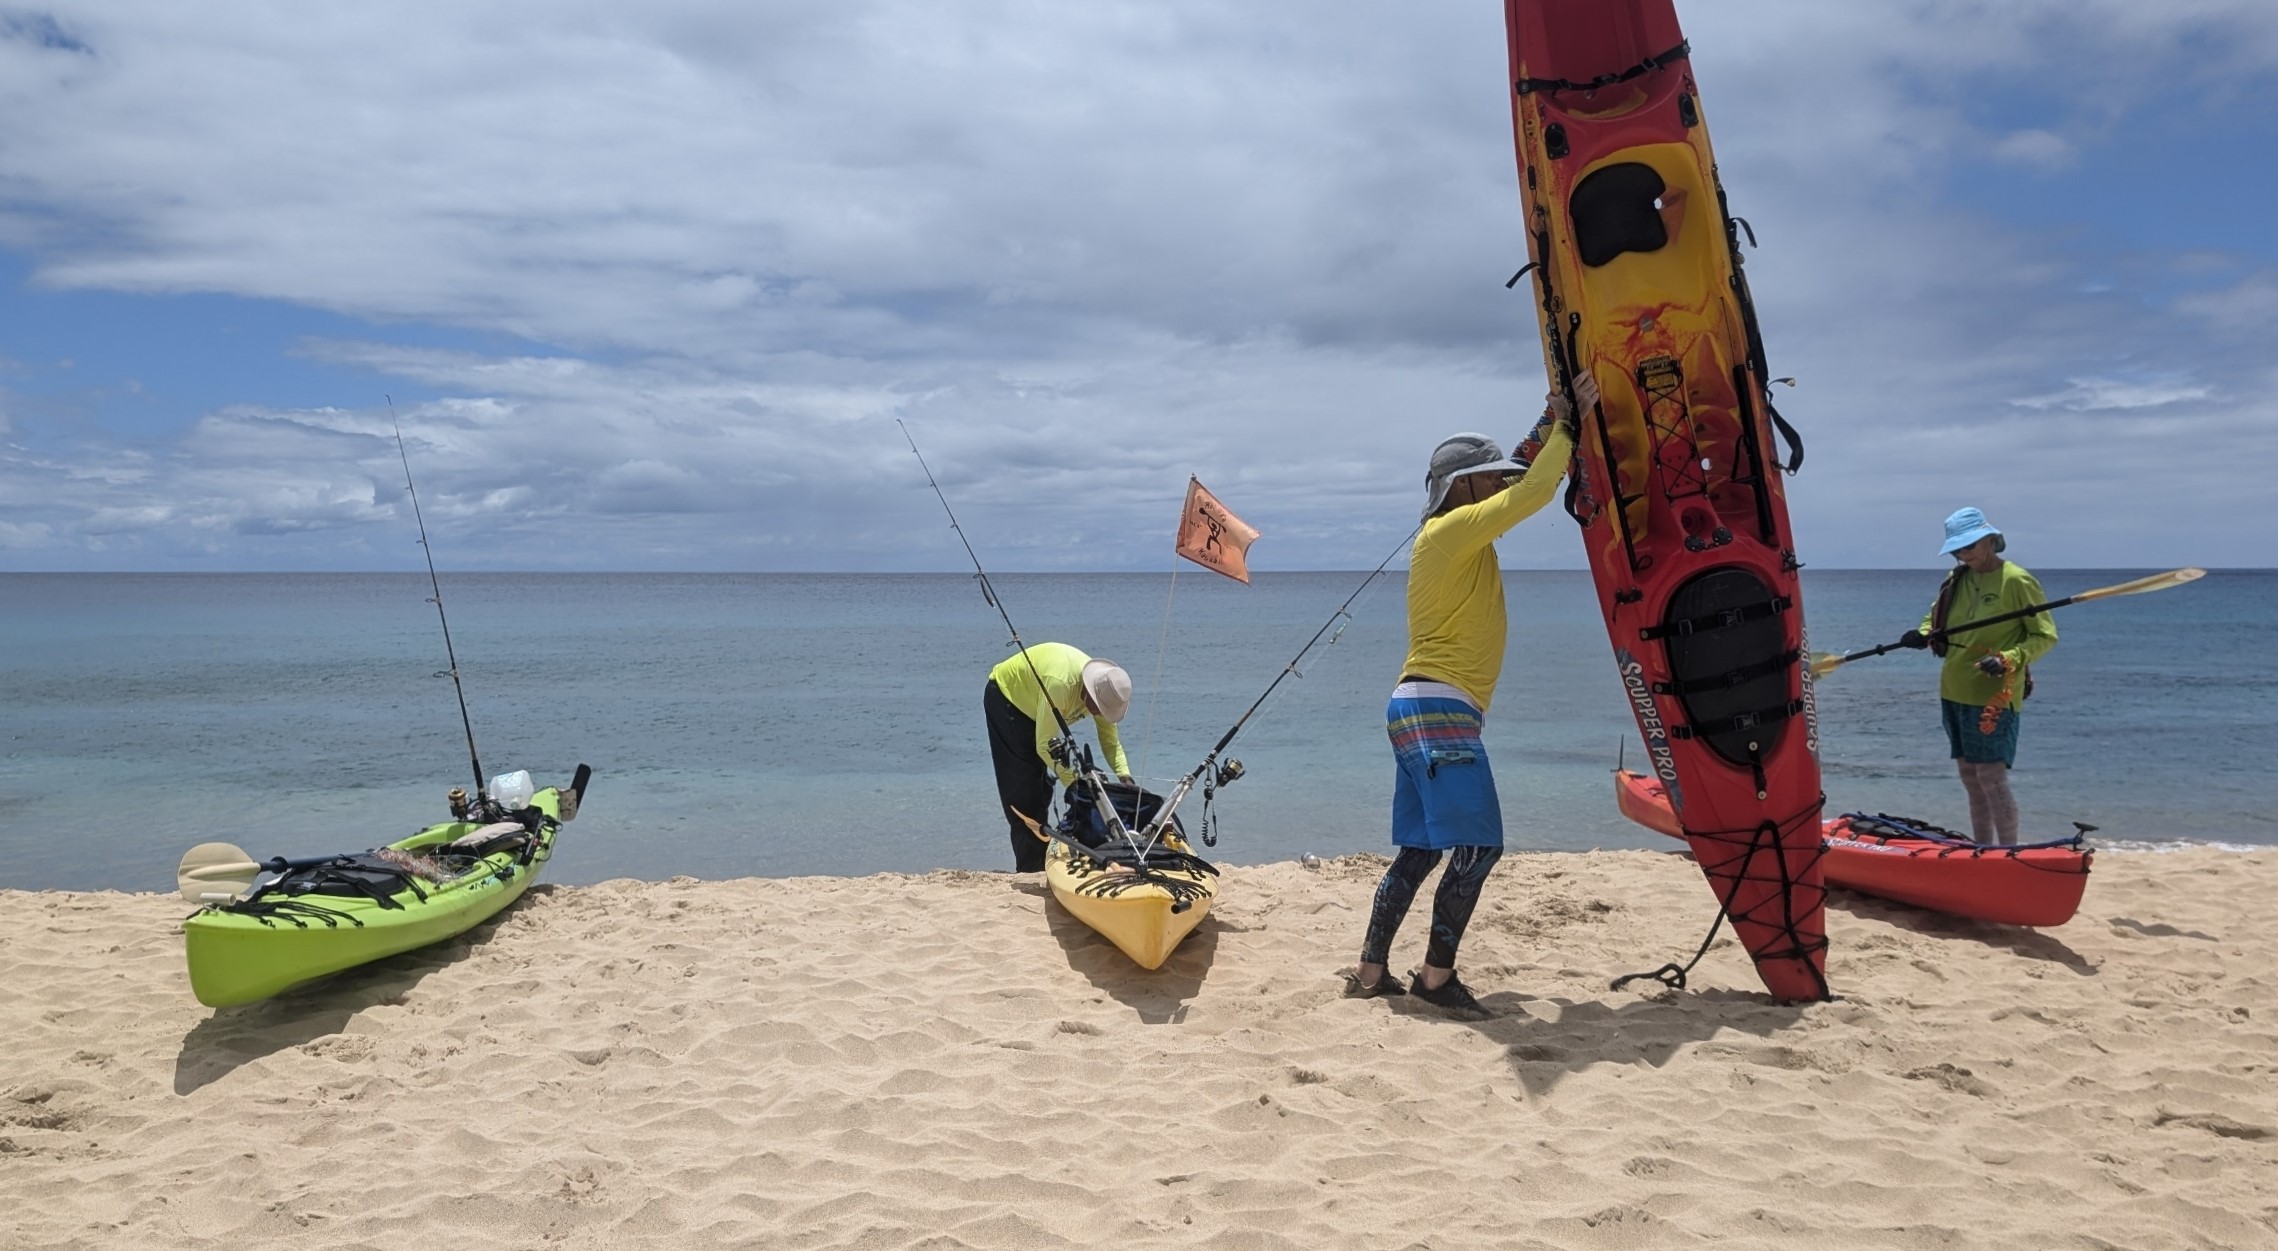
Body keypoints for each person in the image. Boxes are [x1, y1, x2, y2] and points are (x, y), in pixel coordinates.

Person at [1343, 375, 1590, 1019]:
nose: (1503, 483)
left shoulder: (1456, 535)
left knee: (1423, 849)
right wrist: (1572, 426)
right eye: (1492, 477)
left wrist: (1549, 416)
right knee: (1480, 847)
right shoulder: (1450, 531)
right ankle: (1434, 978)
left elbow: (1519, 474)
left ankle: (1371, 971)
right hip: (1439, 709)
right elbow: (1535, 489)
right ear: (1463, 487)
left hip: (1418, 707)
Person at [1897, 507, 2057, 845]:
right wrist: (1920, 633)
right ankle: (1982, 849)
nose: (1962, 554)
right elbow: (1935, 619)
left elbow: (2044, 636)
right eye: (1957, 549)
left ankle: (2009, 852)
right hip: (1954, 688)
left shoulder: (2016, 580)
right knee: (1970, 777)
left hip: (1994, 695)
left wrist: (2009, 658)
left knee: (1992, 776)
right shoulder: (1956, 579)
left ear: (1989, 540)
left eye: (1968, 546)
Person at [983, 643, 1133, 872]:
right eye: (1100, 709)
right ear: (1090, 692)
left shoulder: (1106, 692)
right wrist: (1076, 785)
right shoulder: (1061, 685)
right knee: (1023, 791)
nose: (1102, 715)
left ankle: (1043, 855)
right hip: (1008, 701)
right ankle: (1030, 868)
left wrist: (1125, 778)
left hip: (1037, 706)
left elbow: (1111, 743)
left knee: (1043, 787)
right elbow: (1044, 745)